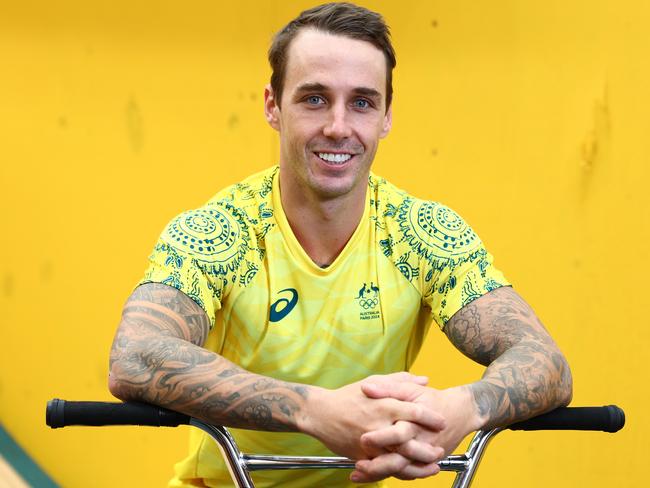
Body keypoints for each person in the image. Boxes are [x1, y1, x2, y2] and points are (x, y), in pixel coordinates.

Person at [108, 3, 573, 487]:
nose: (337, 126)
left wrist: (460, 409)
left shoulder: (421, 231)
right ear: (272, 105)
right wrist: (314, 410)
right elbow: (136, 356)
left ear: (386, 117)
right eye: (313, 99)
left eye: (362, 102)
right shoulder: (221, 231)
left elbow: (545, 361)